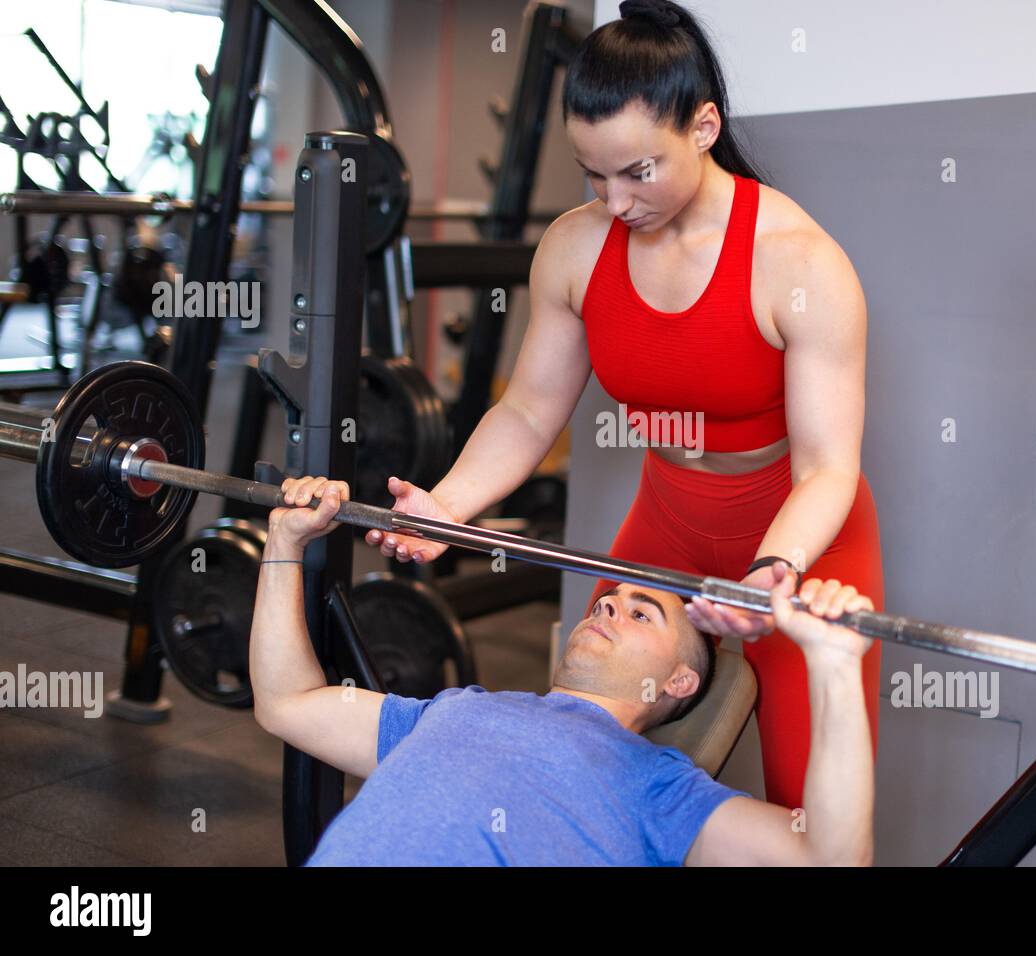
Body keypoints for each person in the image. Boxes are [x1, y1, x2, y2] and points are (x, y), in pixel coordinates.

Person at [363, 0, 883, 810]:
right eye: (593, 174)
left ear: (704, 128)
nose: (614, 201)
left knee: (808, 811)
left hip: (803, 540)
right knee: (588, 760)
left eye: (638, 171)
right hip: (666, 525)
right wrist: (447, 507)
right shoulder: (574, 247)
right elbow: (531, 410)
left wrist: (770, 573)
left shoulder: (799, 262)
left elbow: (826, 467)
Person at [253, 477, 875, 866]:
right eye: (609, 600)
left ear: (680, 681)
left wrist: (836, 667)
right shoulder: (456, 709)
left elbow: (829, 856)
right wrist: (283, 544)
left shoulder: (660, 789)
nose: (607, 604)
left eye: (642, 613)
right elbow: (286, 701)